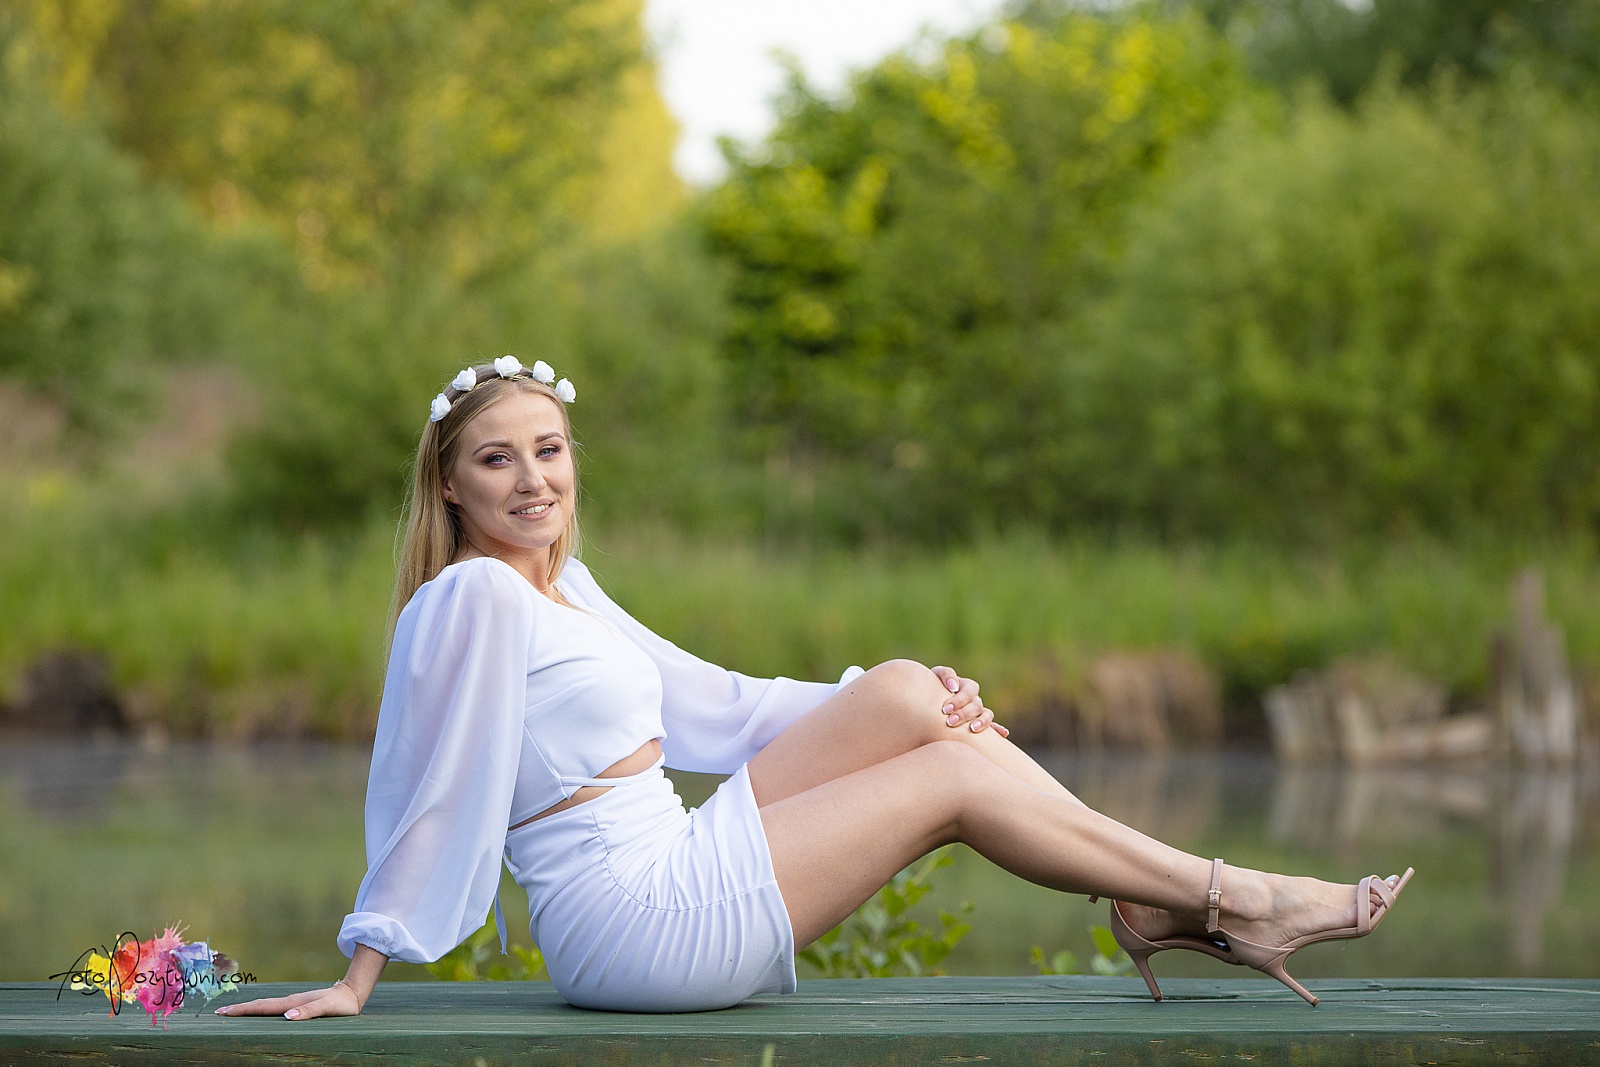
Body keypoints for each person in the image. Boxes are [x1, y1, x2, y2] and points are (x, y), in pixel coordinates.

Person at [219, 357, 1412, 1019]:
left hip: (674, 859)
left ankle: (1160, 900)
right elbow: (428, 777)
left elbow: (717, 706)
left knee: (909, 700)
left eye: (549, 449)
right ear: (451, 485)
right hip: (630, 922)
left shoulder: (564, 587)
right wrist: (363, 963)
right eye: (497, 459)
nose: (532, 479)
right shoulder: (474, 596)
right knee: (949, 778)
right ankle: (1230, 895)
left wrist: (913, 696)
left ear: (573, 458)